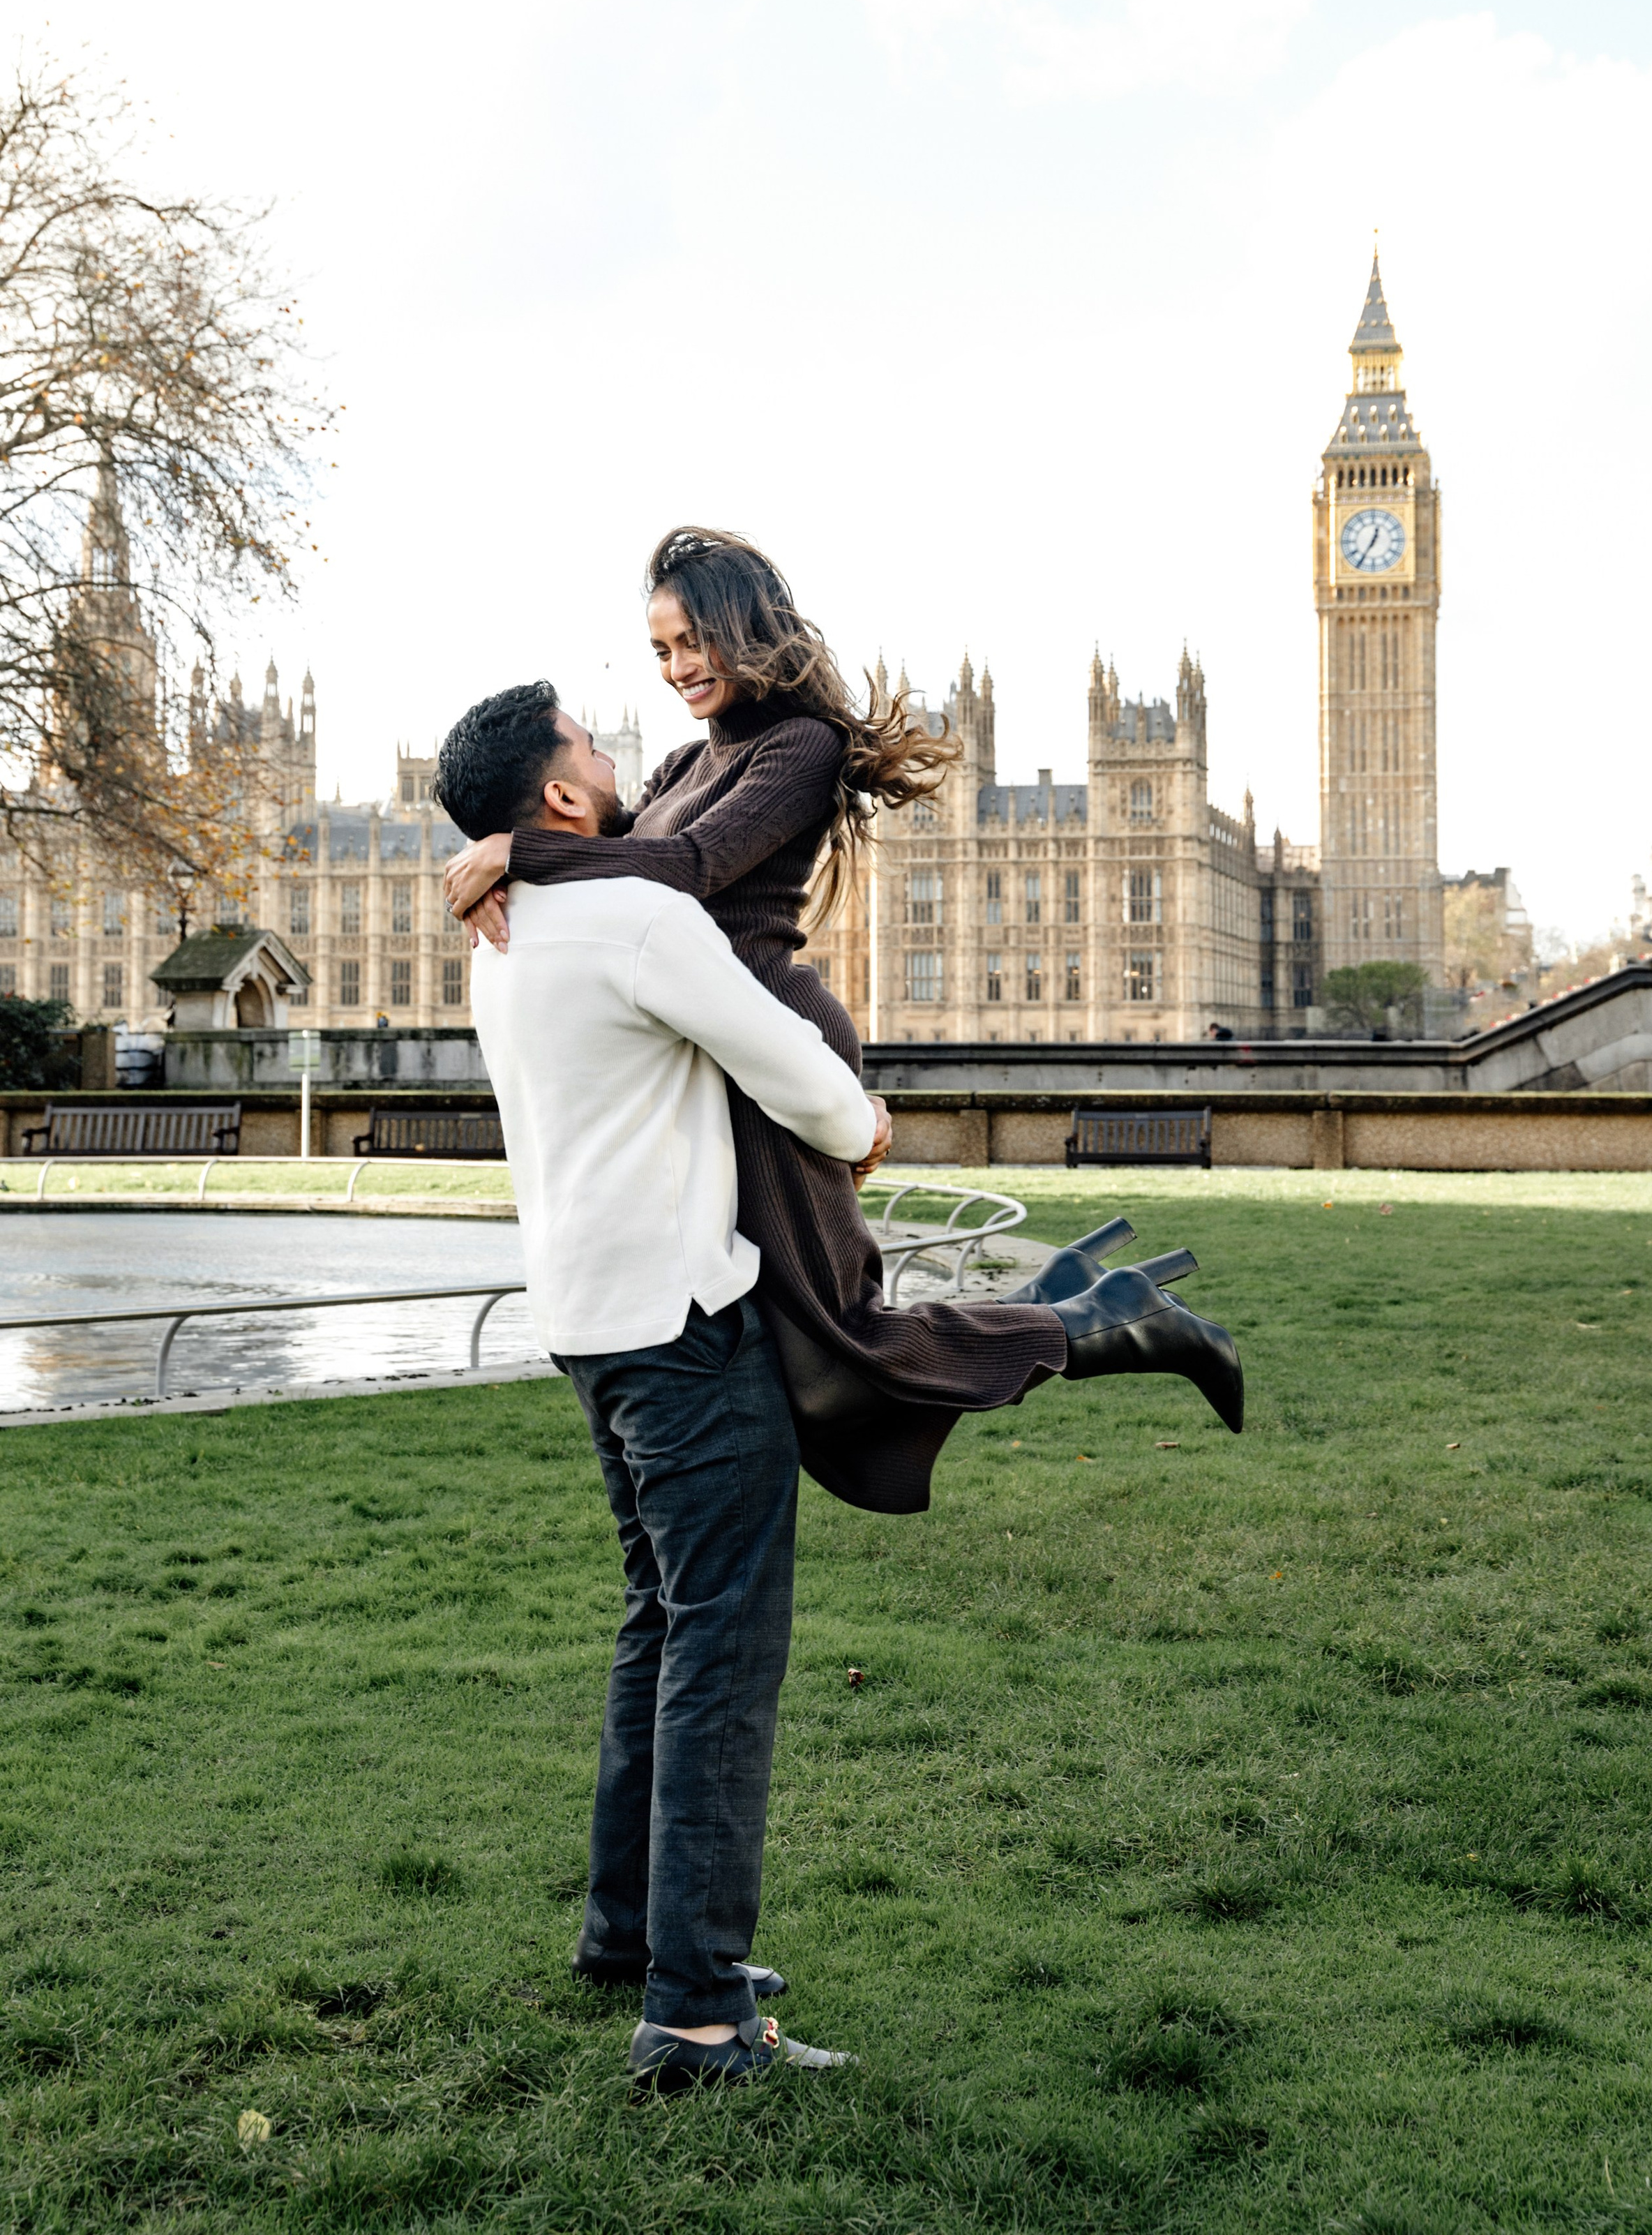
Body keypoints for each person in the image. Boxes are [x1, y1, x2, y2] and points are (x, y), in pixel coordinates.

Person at [443, 530, 1243, 1516]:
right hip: (707, 1057)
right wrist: (508, 842)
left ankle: (1116, 1322)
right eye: (660, 650)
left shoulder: (802, 748)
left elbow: (689, 873)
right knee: (806, 1352)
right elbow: (598, 847)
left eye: (694, 639)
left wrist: (517, 848)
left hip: (772, 1046)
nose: (679, 666)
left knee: (841, 1344)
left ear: (746, 628)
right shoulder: (687, 760)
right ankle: (1073, 1306)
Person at [436, 682, 873, 2088]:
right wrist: (860, 1127)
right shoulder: (636, 918)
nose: (620, 759)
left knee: (656, 1624)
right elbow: (788, 1066)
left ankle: (631, 1931)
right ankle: (692, 2014)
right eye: (591, 743)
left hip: (582, 1318)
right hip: (684, 1323)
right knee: (720, 1652)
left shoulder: (495, 938)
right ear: (561, 800)